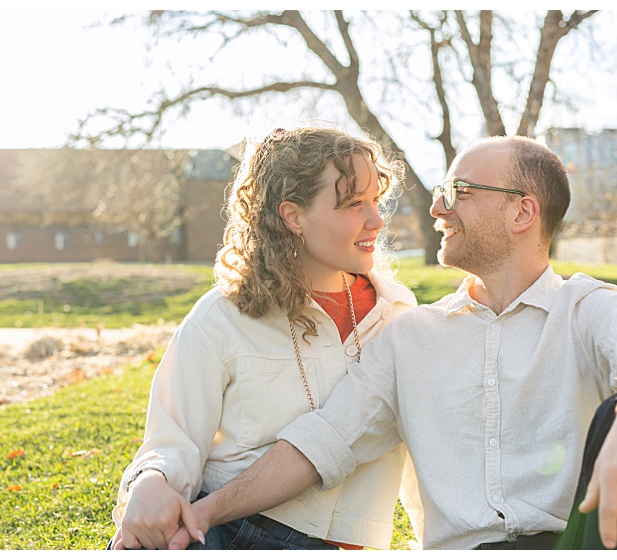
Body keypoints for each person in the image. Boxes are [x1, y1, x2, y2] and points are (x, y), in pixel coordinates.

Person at [158, 135, 617, 550]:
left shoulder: (582, 307)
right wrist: (204, 514)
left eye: (458, 193)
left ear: (522, 212)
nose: (438, 208)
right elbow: (321, 443)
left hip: (573, 544)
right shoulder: (410, 337)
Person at [110, 127, 418, 550]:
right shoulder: (223, 315)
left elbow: (425, 450)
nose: (376, 220)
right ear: (293, 215)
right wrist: (150, 482)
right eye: (353, 204)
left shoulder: (397, 314)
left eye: (376, 202)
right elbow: (172, 439)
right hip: (222, 529)